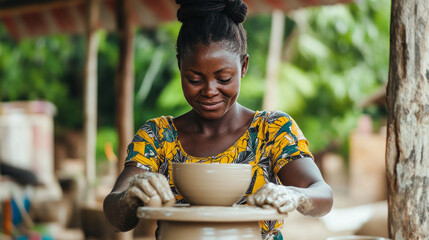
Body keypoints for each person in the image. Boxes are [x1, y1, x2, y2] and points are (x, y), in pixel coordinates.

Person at [103, 0, 333, 239]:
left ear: (243, 66)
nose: (210, 90)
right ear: (180, 65)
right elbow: (115, 215)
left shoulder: (272, 130)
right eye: (194, 79)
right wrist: (131, 195)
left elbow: (322, 194)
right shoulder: (158, 137)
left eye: (223, 78)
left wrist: (295, 195)